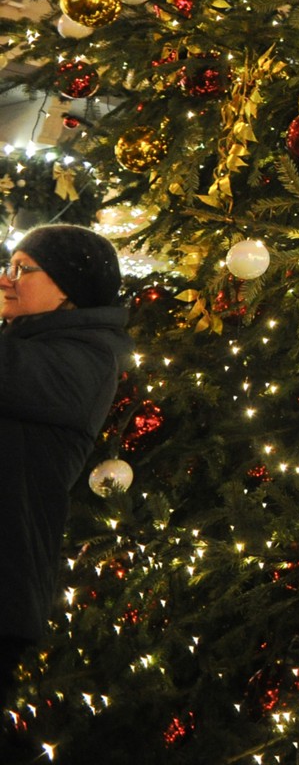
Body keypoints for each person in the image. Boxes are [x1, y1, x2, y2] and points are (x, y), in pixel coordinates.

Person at [0, 224, 134, 709]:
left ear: (68, 287)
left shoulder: (87, 358)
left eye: (22, 269)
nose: (6, 279)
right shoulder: (29, 345)